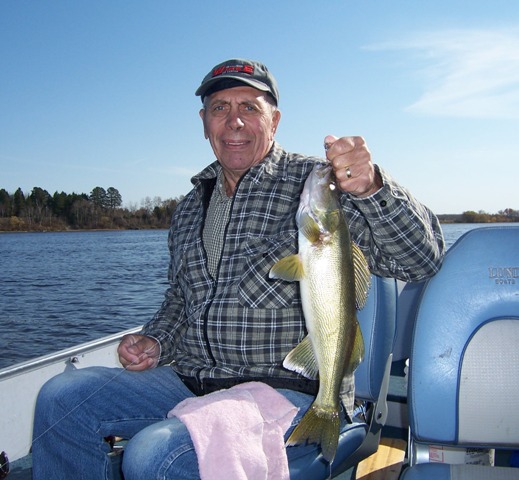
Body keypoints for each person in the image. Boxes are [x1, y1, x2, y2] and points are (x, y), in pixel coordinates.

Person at [32, 58, 445, 479]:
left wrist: (372, 186)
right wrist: (156, 341)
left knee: (155, 455)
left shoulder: (320, 184)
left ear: (274, 121)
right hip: (189, 381)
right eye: (220, 108)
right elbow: (181, 298)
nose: (234, 122)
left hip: (285, 391)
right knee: (63, 397)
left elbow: (420, 260)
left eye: (249, 107)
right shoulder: (189, 207)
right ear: (204, 122)